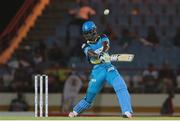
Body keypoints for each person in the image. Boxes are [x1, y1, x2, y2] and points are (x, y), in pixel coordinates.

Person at [68, 21, 133, 118]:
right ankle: (76, 111)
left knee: (121, 86)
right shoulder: (84, 45)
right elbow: (89, 53)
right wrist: (98, 56)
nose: (87, 35)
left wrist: (103, 52)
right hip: (97, 71)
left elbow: (106, 45)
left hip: (108, 67)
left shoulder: (103, 37)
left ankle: (127, 111)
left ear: (94, 30)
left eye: (89, 32)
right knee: (89, 96)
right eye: (85, 33)